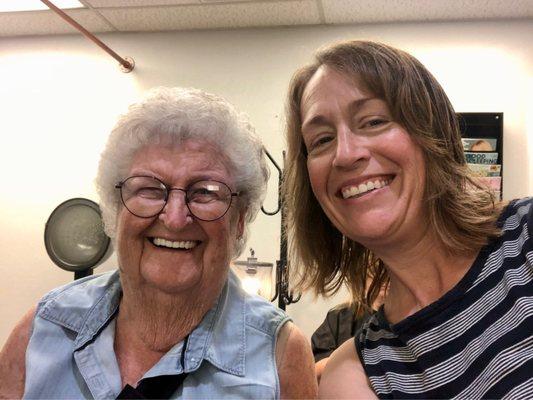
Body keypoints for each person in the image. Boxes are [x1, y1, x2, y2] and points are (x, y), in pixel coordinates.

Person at [0, 87, 317, 399]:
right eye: (149, 189)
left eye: (205, 191)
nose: (176, 218)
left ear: (239, 218)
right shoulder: (45, 327)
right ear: (116, 207)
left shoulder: (279, 355)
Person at [284, 40, 533, 398]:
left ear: (431, 132)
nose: (345, 154)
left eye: (373, 121)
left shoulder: (524, 237)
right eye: (321, 140)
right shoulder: (354, 376)